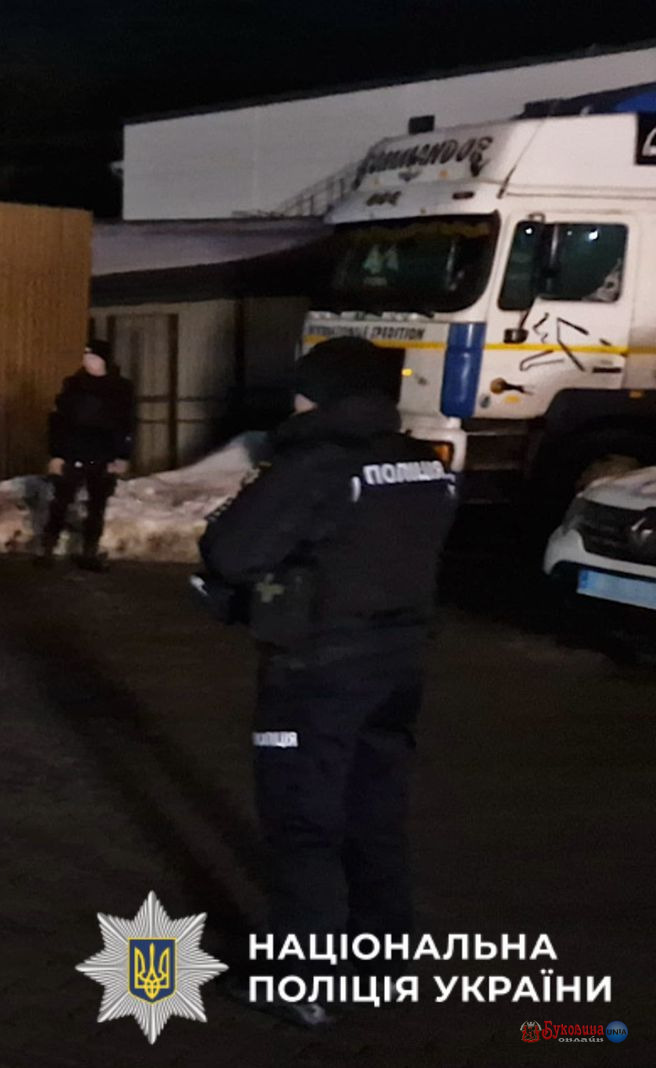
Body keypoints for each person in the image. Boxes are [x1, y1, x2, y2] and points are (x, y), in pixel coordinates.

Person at [197, 336, 457, 1029]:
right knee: (374, 813)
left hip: (316, 672)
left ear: (327, 394)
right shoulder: (422, 462)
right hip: (398, 664)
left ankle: (300, 981)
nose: (296, 402)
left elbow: (231, 551)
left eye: (304, 390)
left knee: (303, 823)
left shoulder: (315, 464)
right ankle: (381, 961)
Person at [40, 338, 135, 570]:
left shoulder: (120, 388)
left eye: (92, 356)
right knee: (61, 501)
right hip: (73, 451)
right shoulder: (73, 385)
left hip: (103, 453)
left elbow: (126, 423)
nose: (87, 360)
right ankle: (48, 549)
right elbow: (58, 422)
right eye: (85, 356)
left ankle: (89, 551)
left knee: (97, 505)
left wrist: (122, 455)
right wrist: (57, 454)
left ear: (103, 360)